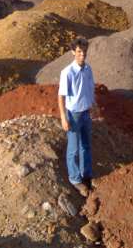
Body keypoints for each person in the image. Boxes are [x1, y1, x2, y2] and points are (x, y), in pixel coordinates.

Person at [58, 37, 95, 197]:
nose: (82, 55)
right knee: (73, 149)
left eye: (84, 52)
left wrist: (95, 106)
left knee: (85, 146)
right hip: (73, 115)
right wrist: (63, 118)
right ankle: (75, 179)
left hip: (86, 112)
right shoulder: (67, 72)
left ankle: (86, 175)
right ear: (73, 52)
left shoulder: (88, 69)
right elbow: (61, 96)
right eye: (79, 52)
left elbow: (90, 89)